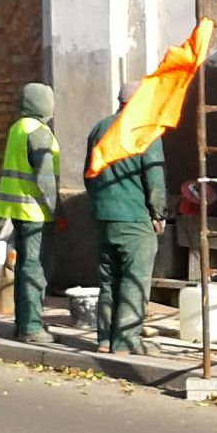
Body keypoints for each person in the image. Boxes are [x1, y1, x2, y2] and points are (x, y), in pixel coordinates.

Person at [83, 81, 167, 354]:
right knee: (134, 279)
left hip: (104, 218)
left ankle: (105, 340)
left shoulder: (98, 128)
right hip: (134, 219)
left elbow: (89, 173)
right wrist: (158, 214)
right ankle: (126, 341)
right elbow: (154, 179)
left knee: (109, 279)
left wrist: (100, 205)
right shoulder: (146, 131)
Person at [0, 83, 61, 344]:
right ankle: (31, 327)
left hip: (18, 208)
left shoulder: (18, 128)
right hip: (35, 211)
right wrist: (56, 210)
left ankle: (24, 322)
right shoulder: (39, 133)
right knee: (34, 268)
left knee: (24, 266)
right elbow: (45, 180)